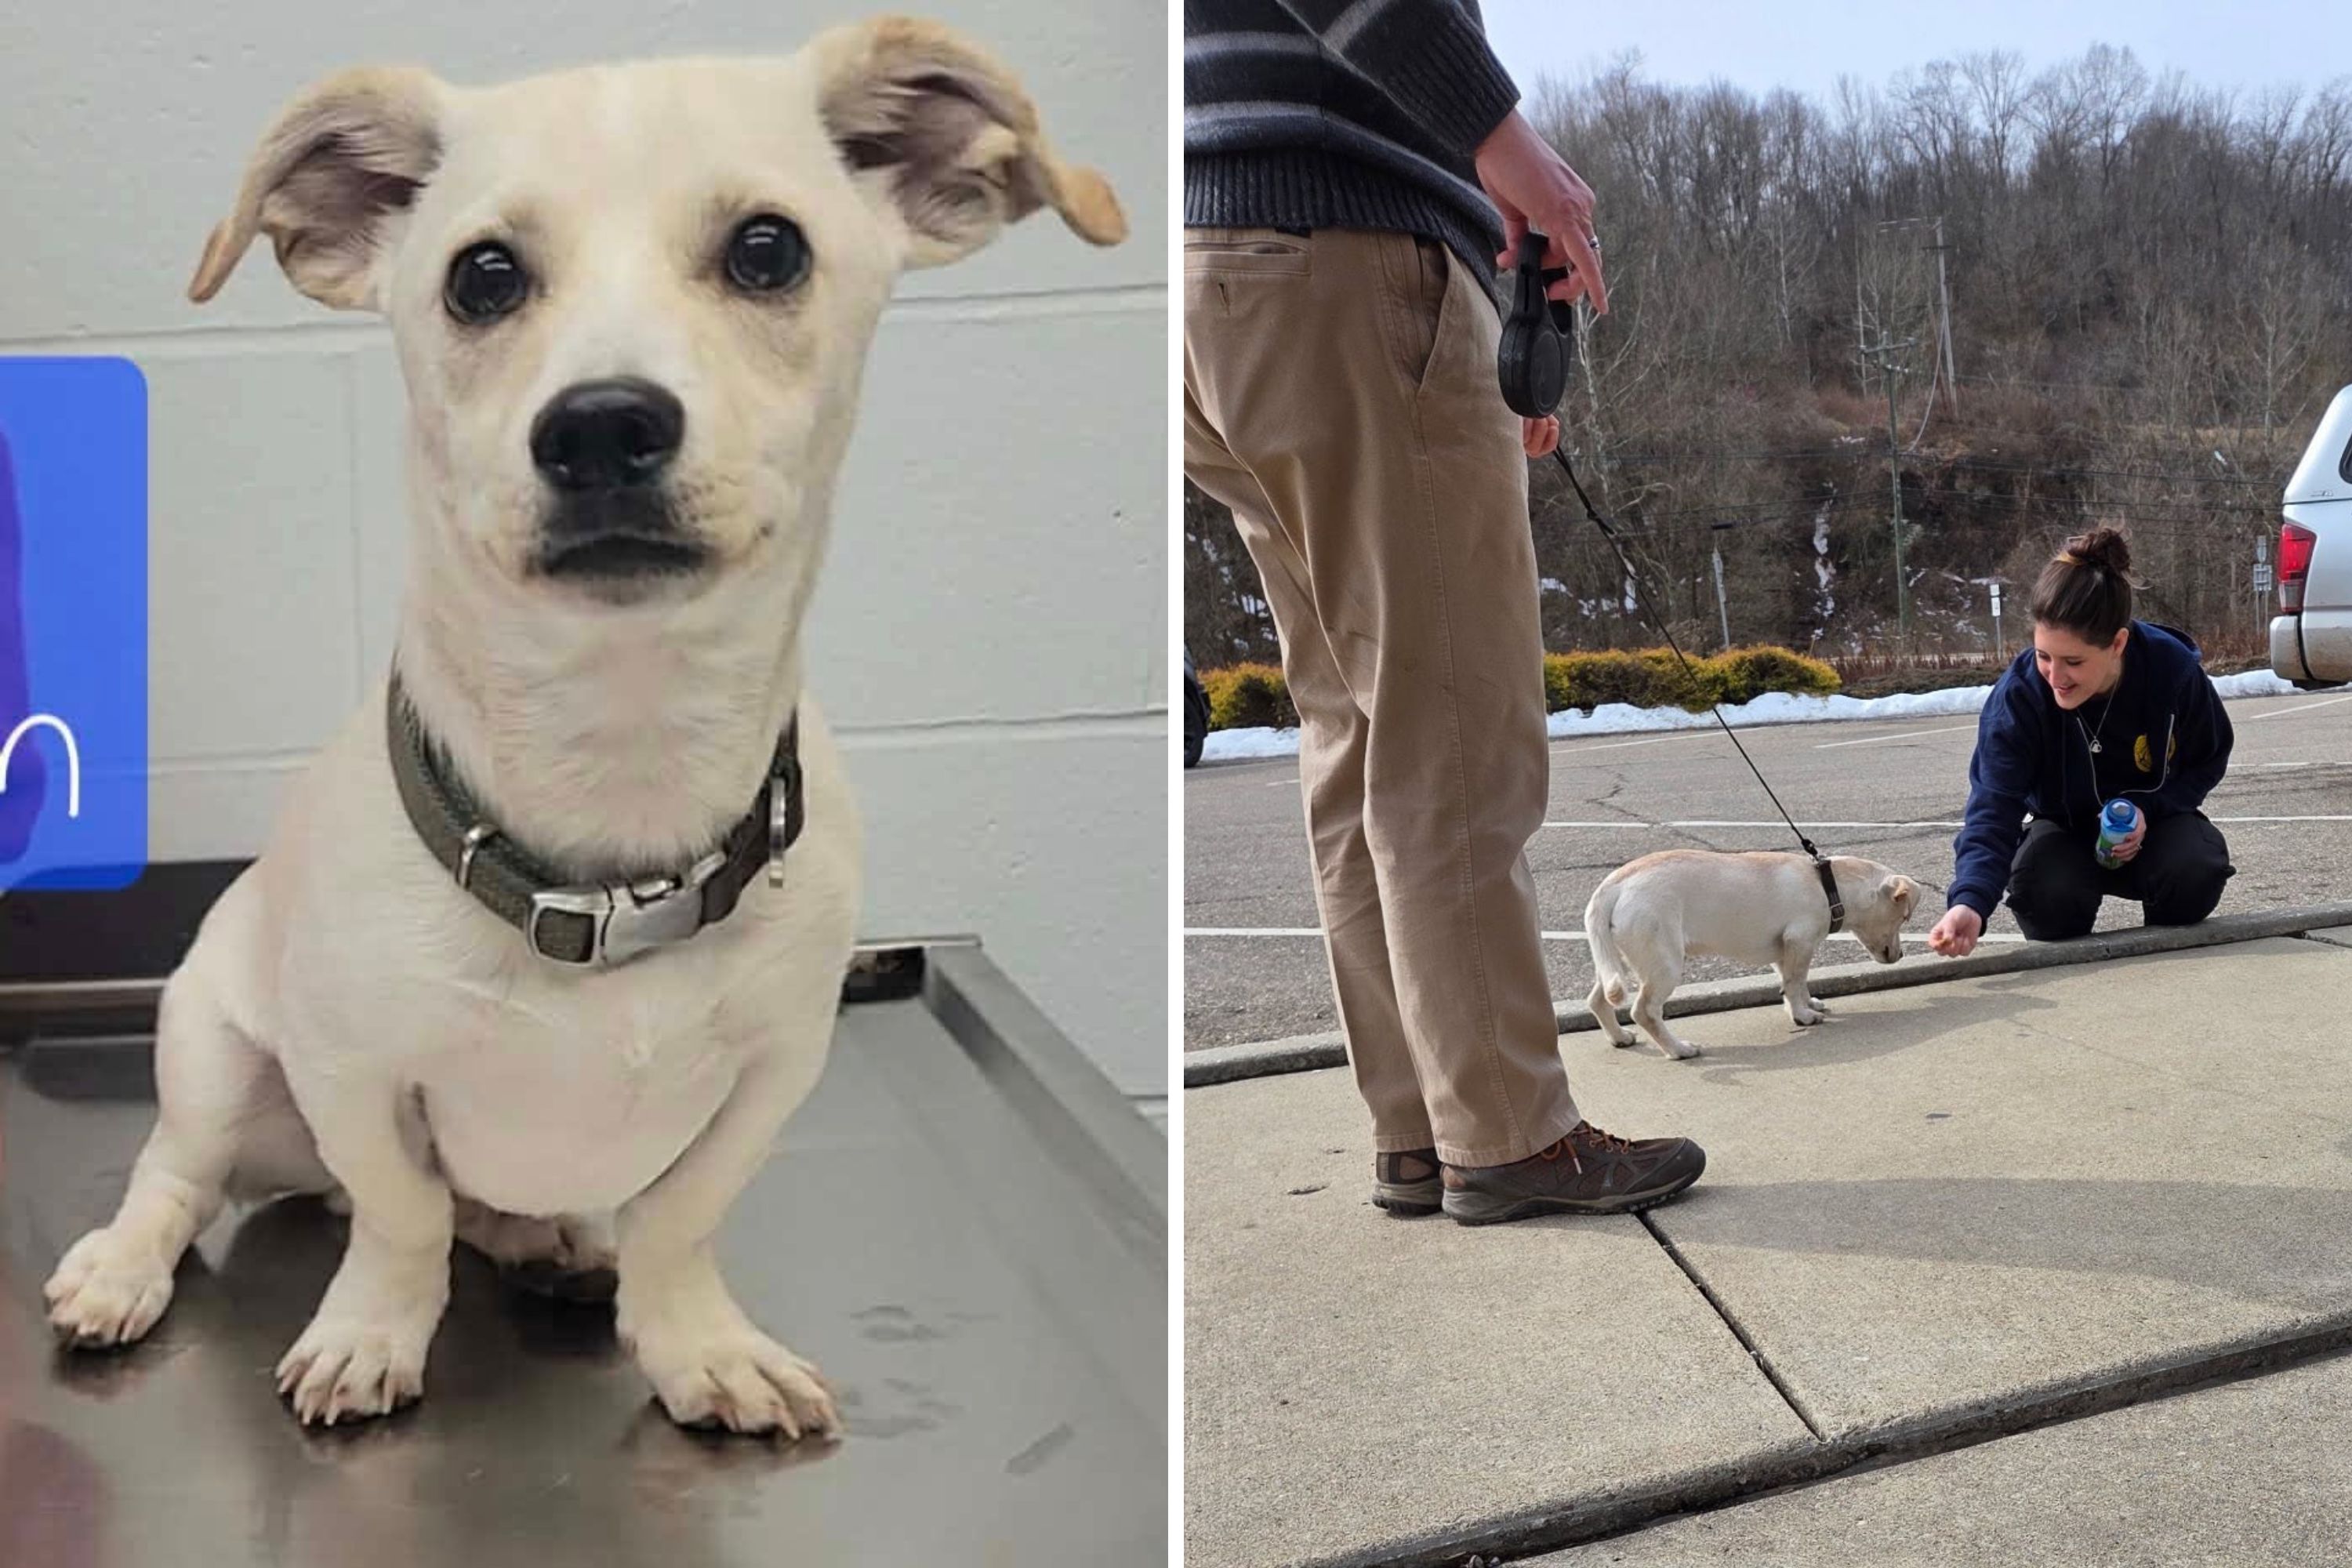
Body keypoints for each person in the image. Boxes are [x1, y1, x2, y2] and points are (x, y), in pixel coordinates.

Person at [1183, 0, 1705, 1223]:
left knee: (1357, 730)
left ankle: (1424, 1126)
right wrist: (1500, 138)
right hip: (1351, 255)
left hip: (1231, 273)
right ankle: (1508, 1133)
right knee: (1454, 735)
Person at [1927, 528, 2236, 959]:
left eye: (2073, 661)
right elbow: (1993, 806)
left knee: (2195, 871)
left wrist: (2151, 808)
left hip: (2156, 828)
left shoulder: (2173, 671)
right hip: (2062, 829)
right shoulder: (2020, 696)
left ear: (2118, 644)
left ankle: (2165, 964)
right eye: (2043, 656)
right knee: (2044, 898)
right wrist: (1970, 901)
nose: (2055, 677)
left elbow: (2208, 758)